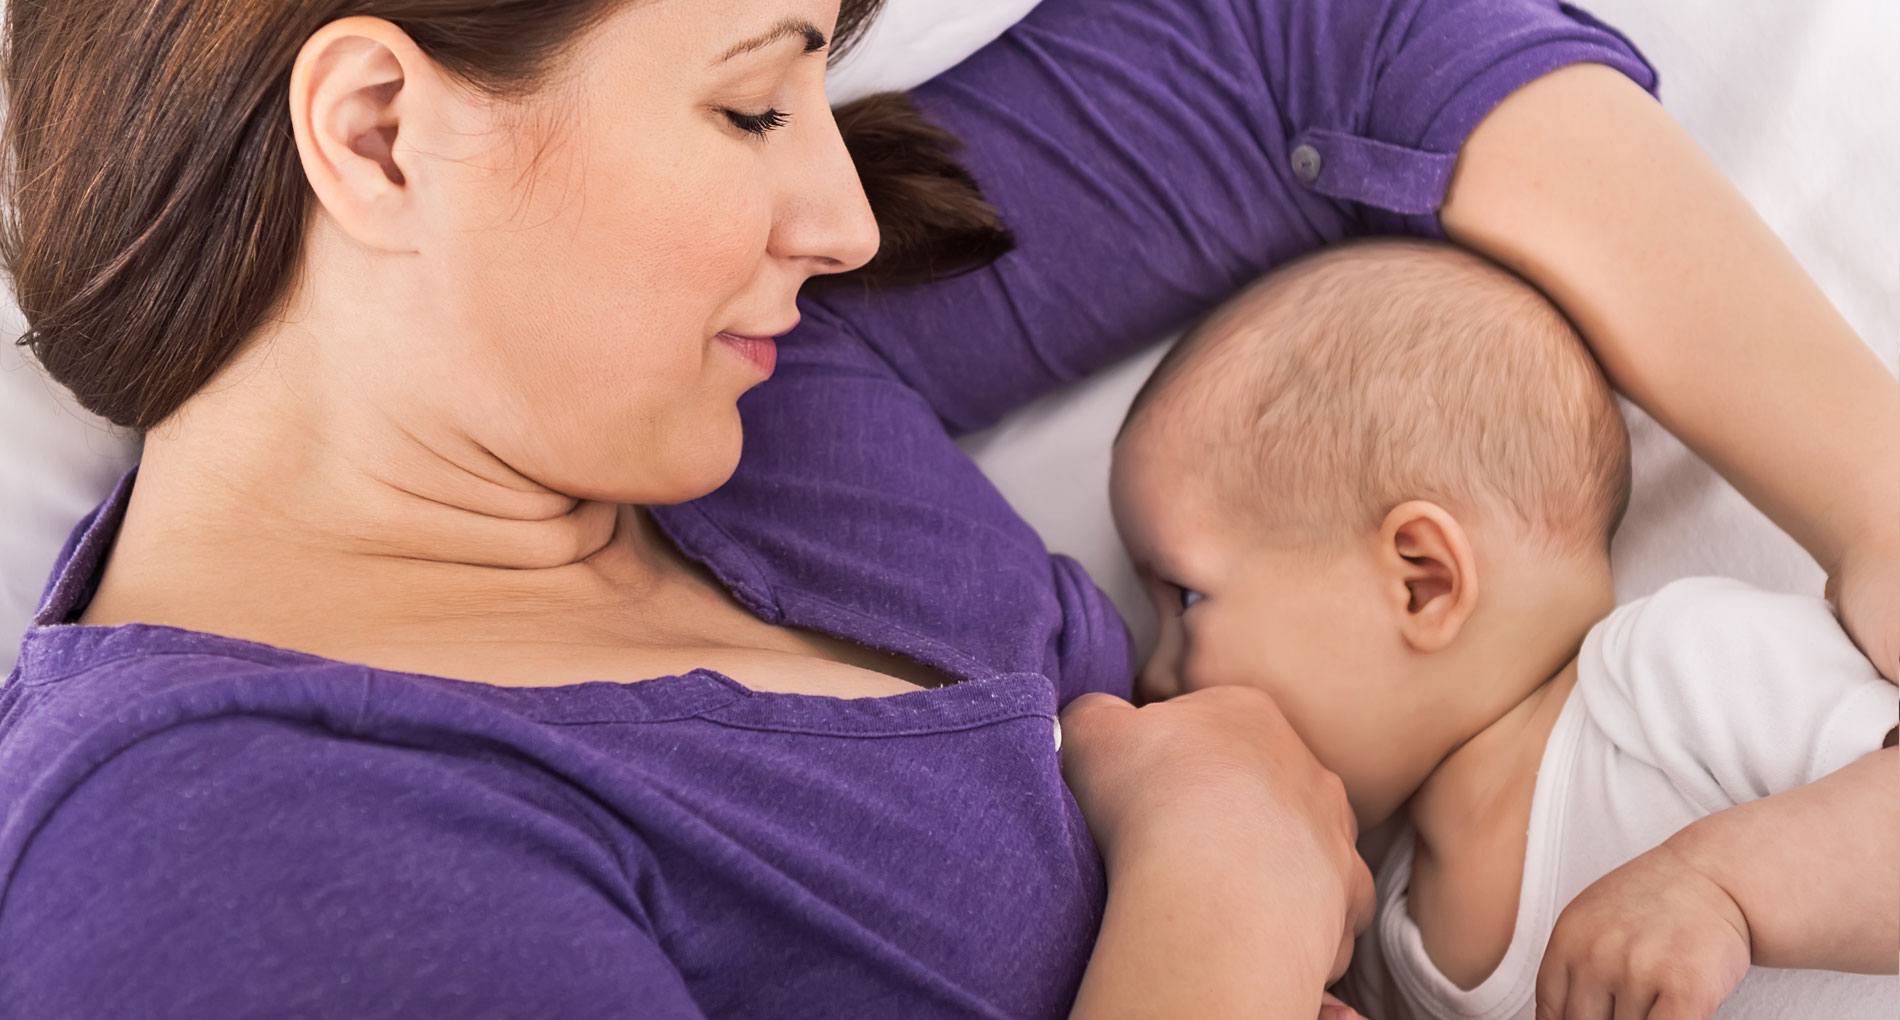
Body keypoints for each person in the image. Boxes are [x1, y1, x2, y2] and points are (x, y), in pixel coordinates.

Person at [0, 0, 1890, 1015]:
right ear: (381, 133)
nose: (836, 218)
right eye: (751, 107)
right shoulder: (237, 855)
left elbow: (1319, 41)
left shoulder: (750, 400)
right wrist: (1216, 904)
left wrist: (1882, 514)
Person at [1110, 238, 1900, 1019]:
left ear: (1422, 582)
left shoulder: (1669, 670)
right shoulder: (1384, 935)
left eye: (1184, 601)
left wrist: (1726, 890)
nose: (1153, 677)